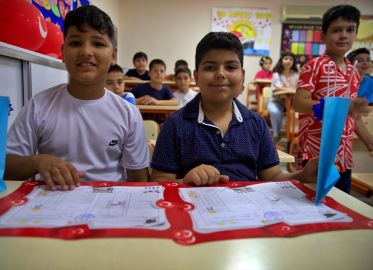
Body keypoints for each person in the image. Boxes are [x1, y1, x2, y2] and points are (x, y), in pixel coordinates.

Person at [150, 32, 336, 186]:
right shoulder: (175, 124)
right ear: (196, 77)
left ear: (242, 76)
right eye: (210, 67)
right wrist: (186, 180)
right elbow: (160, 181)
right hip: (192, 212)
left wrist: (302, 176)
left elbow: (271, 178)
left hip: (247, 214)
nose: (221, 74)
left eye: (230, 67)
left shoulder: (256, 124)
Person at [4, 6, 150, 191]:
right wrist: (37, 161)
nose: (86, 51)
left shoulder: (128, 113)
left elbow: (139, 182)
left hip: (110, 205)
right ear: (63, 53)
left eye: (98, 44)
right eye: (75, 43)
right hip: (51, 204)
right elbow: (4, 169)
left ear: (113, 55)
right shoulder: (39, 106)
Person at [293, 5, 373, 194]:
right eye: (337, 30)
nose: (343, 35)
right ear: (323, 36)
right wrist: (341, 106)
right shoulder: (314, 66)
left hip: (343, 153)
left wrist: (370, 143)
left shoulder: (354, 73)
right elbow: (299, 103)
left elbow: (352, 114)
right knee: (314, 201)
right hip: (316, 151)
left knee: (341, 203)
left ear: (355, 34)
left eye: (350, 30)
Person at [268, 52, 299, 144]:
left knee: (298, 114)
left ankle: (293, 137)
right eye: (286, 59)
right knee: (275, 112)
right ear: (281, 61)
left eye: (291, 59)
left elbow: (299, 88)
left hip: (292, 102)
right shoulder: (276, 74)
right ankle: (277, 135)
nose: (288, 61)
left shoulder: (297, 75)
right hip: (276, 101)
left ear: (293, 62)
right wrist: (292, 89)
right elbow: (277, 88)